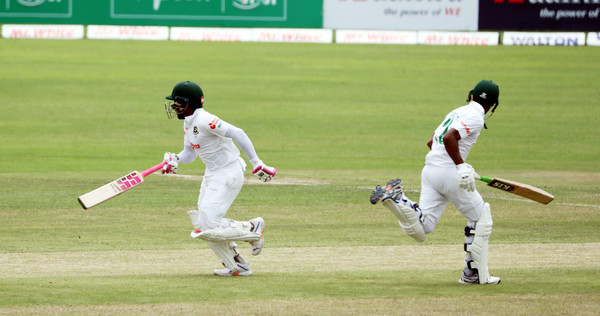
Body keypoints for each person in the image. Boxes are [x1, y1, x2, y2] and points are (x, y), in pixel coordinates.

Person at [370, 80, 501, 285]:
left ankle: (398, 199)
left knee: (423, 228)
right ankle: (472, 274)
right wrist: (460, 166)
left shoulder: (456, 112)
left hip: (430, 170)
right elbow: (450, 138)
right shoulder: (475, 116)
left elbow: (432, 142)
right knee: (480, 217)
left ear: (472, 95)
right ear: (493, 105)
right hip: (448, 173)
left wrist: (452, 165)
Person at [161, 81, 276, 277]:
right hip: (213, 173)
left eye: (176, 103)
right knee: (202, 224)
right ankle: (237, 264)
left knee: (208, 225)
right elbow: (190, 153)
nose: (173, 107)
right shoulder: (188, 123)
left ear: (187, 103)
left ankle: (251, 227)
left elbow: (238, 133)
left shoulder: (205, 120)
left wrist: (257, 162)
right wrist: (176, 159)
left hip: (228, 171)